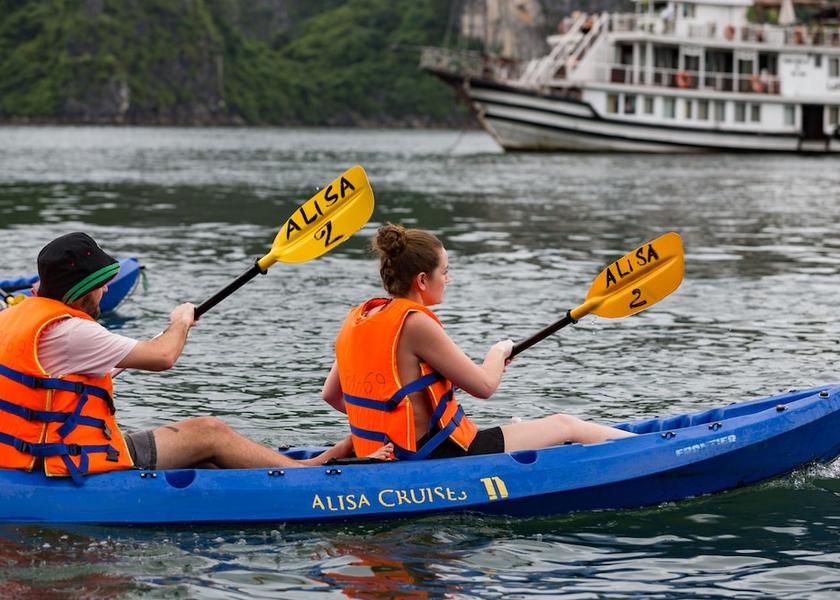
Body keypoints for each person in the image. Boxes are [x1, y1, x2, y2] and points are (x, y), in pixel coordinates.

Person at [0, 232, 388, 481]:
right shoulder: (74, 331)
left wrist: (172, 331)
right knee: (208, 430)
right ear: (83, 289)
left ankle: (266, 465)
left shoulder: (16, 318)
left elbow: (85, 370)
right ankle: (307, 472)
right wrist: (181, 321)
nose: (104, 294)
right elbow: (164, 357)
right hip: (68, 461)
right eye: (101, 287)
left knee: (204, 459)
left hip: (26, 454)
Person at [321, 224, 634, 461]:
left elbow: (332, 395)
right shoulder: (415, 323)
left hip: (384, 452)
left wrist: (384, 422)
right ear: (422, 280)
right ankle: (652, 451)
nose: (449, 279)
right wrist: (497, 354)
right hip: (435, 453)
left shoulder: (360, 317)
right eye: (445, 271)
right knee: (566, 425)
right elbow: (484, 386)